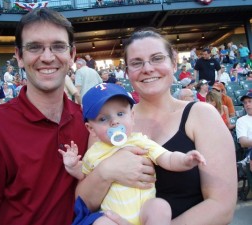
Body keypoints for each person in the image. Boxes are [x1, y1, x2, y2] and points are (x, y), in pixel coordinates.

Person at [76, 27, 237, 225]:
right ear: (127, 73)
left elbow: (221, 207)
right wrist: (106, 171)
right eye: (136, 63)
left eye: (157, 58)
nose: (148, 68)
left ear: (174, 62)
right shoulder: (105, 125)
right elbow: (84, 203)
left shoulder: (202, 115)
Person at [0, 8, 89, 225]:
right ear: (18, 56)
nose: (47, 57)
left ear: (72, 55)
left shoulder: (88, 122)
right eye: (35, 47)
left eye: (58, 46)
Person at [60, 83, 206, 225]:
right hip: (113, 216)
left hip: (144, 211)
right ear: (91, 129)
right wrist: (73, 167)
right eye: (103, 119)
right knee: (101, 221)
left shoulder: (140, 141)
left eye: (120, 114)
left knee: (160, 207)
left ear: (132, 116)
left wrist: (185, 160)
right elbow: (85, 175)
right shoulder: (94, 153)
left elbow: (166, 158)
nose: (114, 122)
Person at [236, 91, 252, 197]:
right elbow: (243, 143)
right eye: (245, 103)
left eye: (250, 101)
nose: (247, 104)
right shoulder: (241, 121)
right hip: (249, 152)